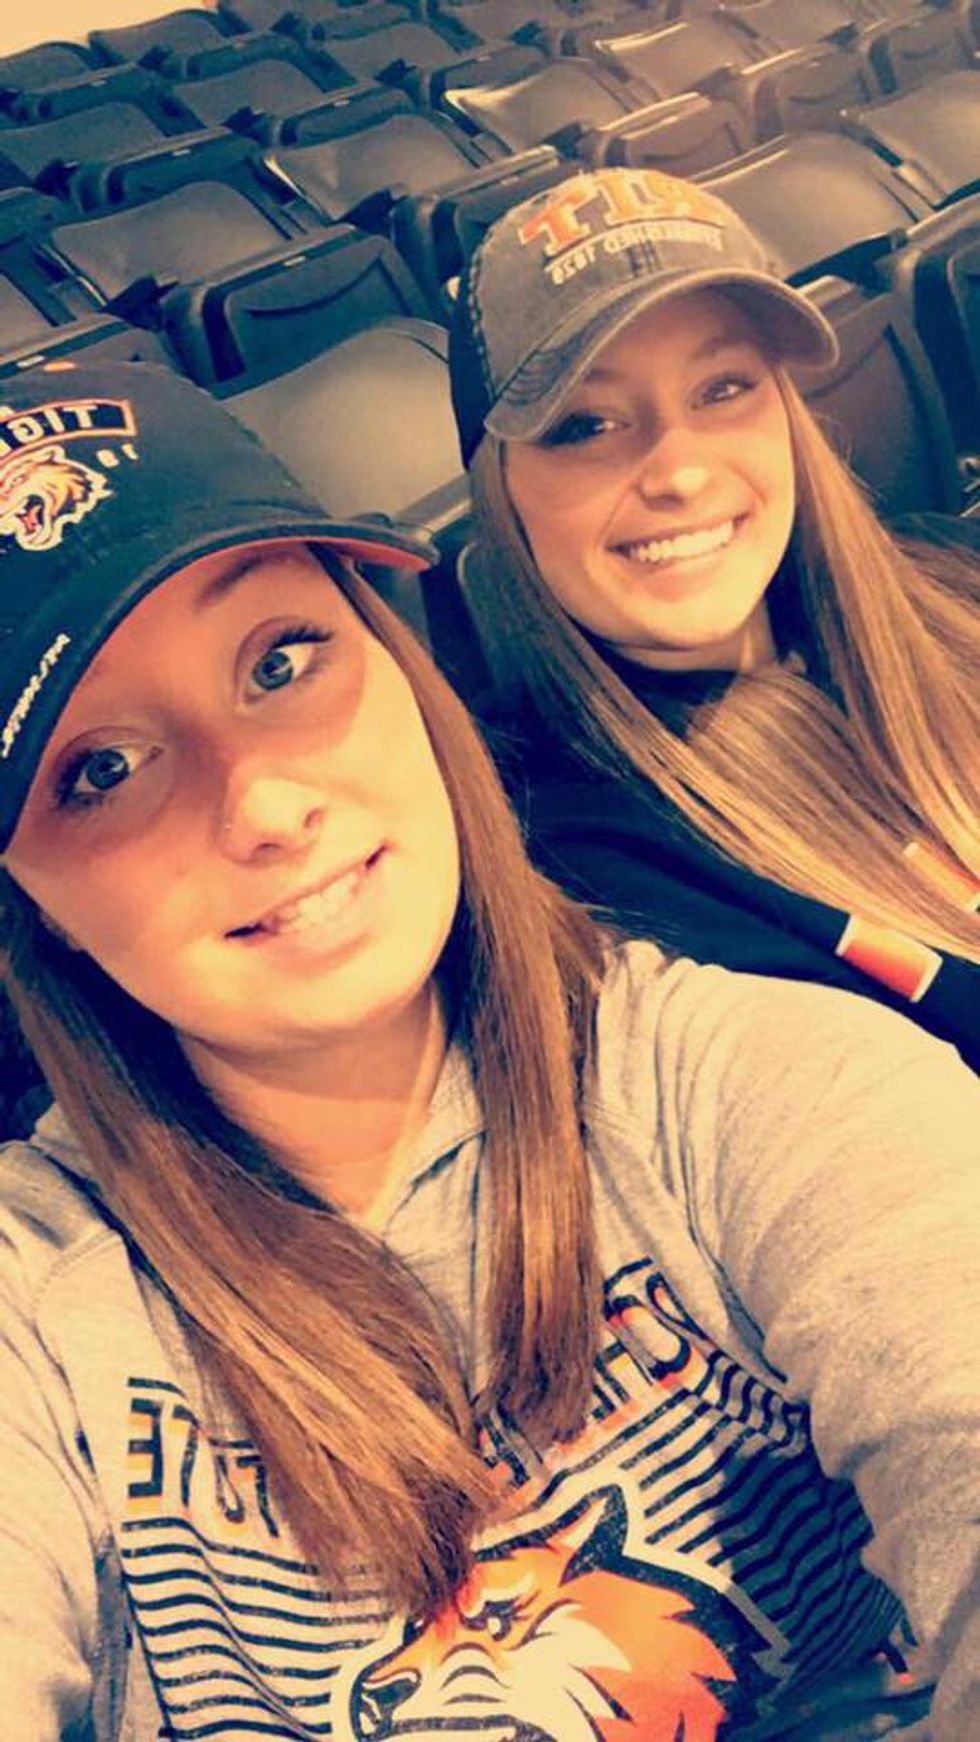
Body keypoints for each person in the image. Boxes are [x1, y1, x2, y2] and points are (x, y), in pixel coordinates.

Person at [0, 359, 977, 1742]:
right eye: (98, 767)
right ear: (32, 896)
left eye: (280, 659)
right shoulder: (41, 1305)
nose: (265, 805)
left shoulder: (741, 1079)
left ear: (398, 667)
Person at [448, 166, 980, 1069]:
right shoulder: (578, 866)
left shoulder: (949, 580)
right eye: (585, 424)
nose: (682, 474)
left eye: (723, 388)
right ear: (499, 491)